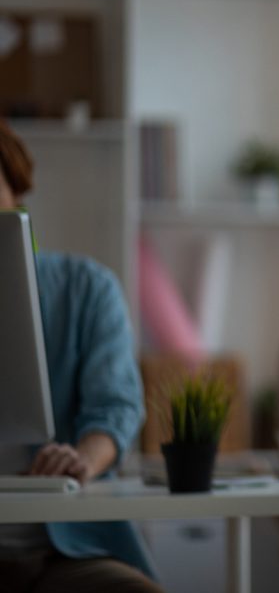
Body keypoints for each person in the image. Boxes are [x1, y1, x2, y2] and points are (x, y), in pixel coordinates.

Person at [0, 121, 160, 592]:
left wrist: (83, 459)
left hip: (62, 552)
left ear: (16, 192)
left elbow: (117, 407)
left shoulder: (86, 289)